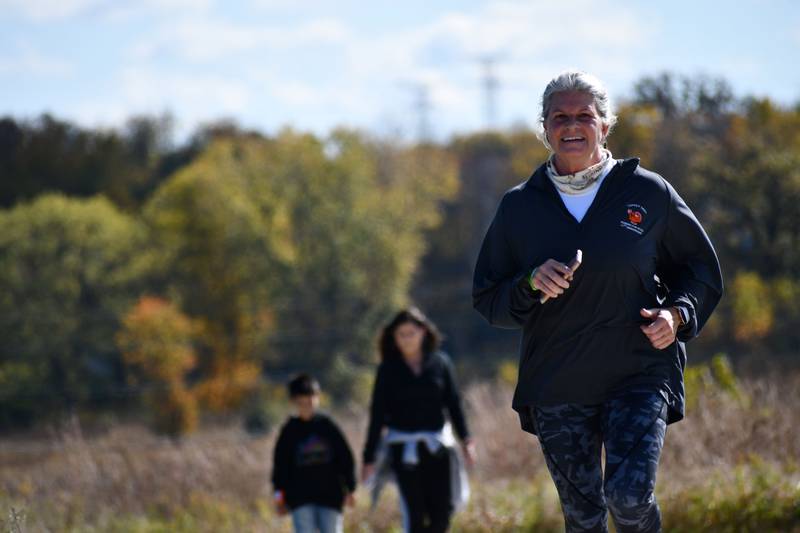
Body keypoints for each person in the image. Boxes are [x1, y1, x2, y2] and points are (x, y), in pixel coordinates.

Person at [472, 71, 723, 533]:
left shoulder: (648, 192)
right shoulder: (519, 206)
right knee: (584, 519)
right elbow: (489, 299)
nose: (572, 125)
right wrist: (529, 283)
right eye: (559, 117)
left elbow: (701, 271)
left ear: (605, 126)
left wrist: (678, 313)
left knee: (628, 500)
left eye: (584, 115)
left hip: (639, 373)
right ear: (544, 129)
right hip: (557, 382)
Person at [362, 307, 476, 533]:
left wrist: (466, 440)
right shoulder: (387, 370)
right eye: (401, 334)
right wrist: (368, 458)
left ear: (423, 332)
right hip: (404, 450)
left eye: (411, 333)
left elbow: (454, 404)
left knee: (441, 515)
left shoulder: (440, 364)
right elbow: (377, 414)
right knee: (414, 514)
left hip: (438, 447)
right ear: (393, 338)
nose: (406, 339)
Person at [271, 374, 356, 533]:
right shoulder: (289, 431)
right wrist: (279, 499)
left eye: (310, 400)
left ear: (317, 398)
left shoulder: (328, 426)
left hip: (331, 496)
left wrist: (351, 488)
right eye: (301, 402)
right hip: (299, 498)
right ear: (293, 402)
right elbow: (280, 468)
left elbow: (345, 458)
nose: (306, 406)